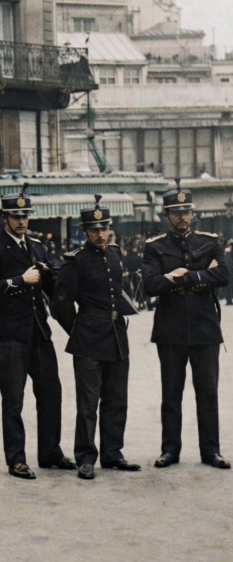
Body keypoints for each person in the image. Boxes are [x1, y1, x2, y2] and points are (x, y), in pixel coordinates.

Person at [0, 187, 75, 480]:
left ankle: (50, 452)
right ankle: (16, 459)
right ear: (5, 217)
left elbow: (48, 285)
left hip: (38, 330)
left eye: (25, 216)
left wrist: (68, 281)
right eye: (16, 216)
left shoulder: (36, 245)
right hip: (10, 333)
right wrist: (19, 280)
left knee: (51, 391)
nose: (22, 221)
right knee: (14, 397)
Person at [141, 182, 230, 470]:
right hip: (171, 328)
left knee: (208, 392)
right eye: (175, 212)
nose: (182, 217)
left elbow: (225, 275)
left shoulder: (209, 241)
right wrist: (203, 274)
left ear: (193, 213)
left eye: (186, 211)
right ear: (165, 215)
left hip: (205, 327)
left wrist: (185, 277)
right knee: (171, 393)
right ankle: (170, 450)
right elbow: (150, 286)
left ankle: (211, 451)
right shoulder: (154, 247)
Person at [54, 199, 139, 480]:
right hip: (88, 340)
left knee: (117, 400)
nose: (100, 234)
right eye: (94, 229)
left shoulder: (116, 254)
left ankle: (113, 453)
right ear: (85, 231)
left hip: (117, 336)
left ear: (110, 228)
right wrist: (79, 331)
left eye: (104, 228)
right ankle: (86, 457)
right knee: (88, 403)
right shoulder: (75, 261)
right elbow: (61, 306)